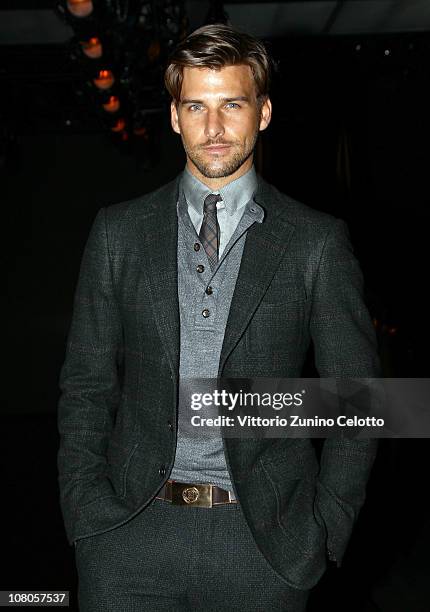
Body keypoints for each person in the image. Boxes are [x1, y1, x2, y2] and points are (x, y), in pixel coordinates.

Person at [57, 23, 380, 612]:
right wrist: (88, 515)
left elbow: (359, 399)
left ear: (263, 113)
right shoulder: (119, 233)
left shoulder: (316, 242)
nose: (213, 129)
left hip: (264, 543)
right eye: (195, 107)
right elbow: (85, 386)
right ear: (175, 117)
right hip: (129, 534)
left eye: (231, 104)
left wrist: (325, 527)